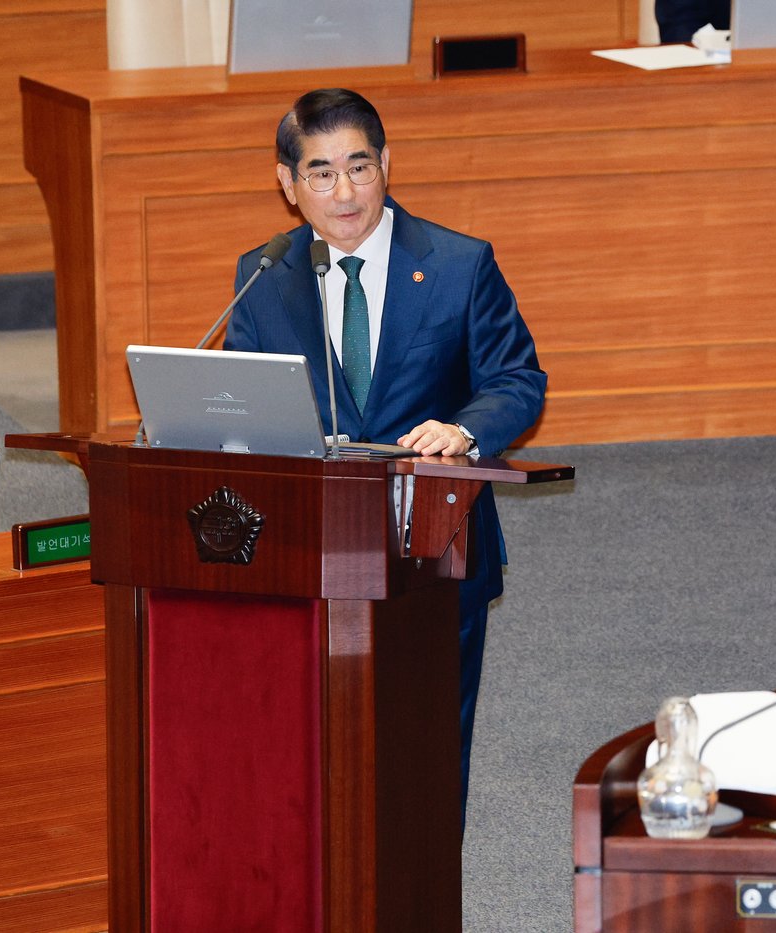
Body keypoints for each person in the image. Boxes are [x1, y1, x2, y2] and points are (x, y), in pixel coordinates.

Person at [223, 88, 547, 823]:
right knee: (312, 741)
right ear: (288, 184)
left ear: (388, 164)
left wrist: (463, 431)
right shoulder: (262, 276)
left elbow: (517, 380)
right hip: (311, 541)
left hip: (435, 541)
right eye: (322, 173)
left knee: (428, 739)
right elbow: (240, 398)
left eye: (360, 168)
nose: (344, 192)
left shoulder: (461, 265)